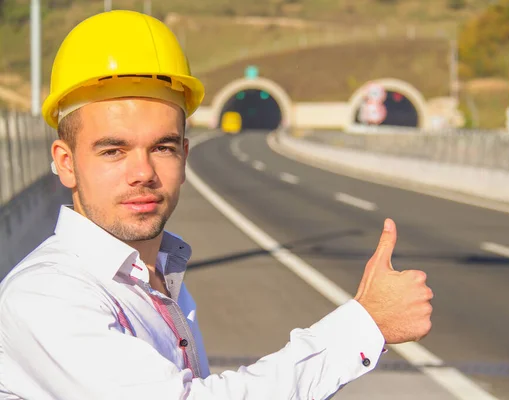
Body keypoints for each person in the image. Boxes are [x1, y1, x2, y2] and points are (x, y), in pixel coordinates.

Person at [0, 10, 433, 400]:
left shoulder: (155, 277)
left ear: (185, 157)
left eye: (163, 147)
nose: (143, 172)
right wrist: (366, 324)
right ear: (66, 163)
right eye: (113, 151)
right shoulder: (44, 297)